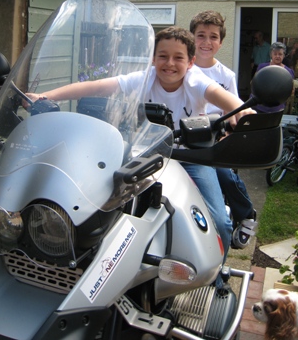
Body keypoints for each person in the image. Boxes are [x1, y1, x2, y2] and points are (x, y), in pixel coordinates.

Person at [27, 26, 256, 285]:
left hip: (191, 157)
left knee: (219, 222)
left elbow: (223, 97)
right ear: (153, 58)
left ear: (191, 62)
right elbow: (96, 87)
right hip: (146, 155)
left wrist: (244, 112)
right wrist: (46, 96)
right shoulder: (143, 78)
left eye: (178, 57)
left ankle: (215, 279)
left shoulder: (196, 81)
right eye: (162, 56)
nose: (169, 63)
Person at [190, 10, 257, 250]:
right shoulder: (180, 68)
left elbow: (234, 111)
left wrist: (234, 127)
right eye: (200, 35)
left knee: (225, 175)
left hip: (214, 141)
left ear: (220, 42)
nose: (206, 42)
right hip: (182, 141)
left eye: (213, 37)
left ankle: (246, 213)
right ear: (191, 38)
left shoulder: (225, 75)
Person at [253, 42, 294, 113]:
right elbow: (254, 83)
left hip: (277, 108)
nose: (277, 56)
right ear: (271, 55)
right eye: (275, 54)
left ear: (284, 55)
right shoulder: (262, 67)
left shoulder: (288, 71)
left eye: (280, 54)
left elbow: (291, 90)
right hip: (259, 106)